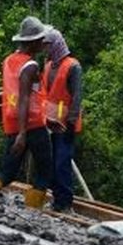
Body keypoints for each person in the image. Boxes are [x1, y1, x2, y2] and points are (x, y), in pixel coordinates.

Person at [0, 16, 52, 209]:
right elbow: (24, 98)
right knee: (45, 171)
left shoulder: (8, 61)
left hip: (12, 121)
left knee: (7, 172)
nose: (43, 42)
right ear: (32, 42)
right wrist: (23, 134)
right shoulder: (30, 66)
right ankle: (32, 210)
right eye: (40, 40)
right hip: (32, 123)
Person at [43, 26, 84, 212]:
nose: (45, 48)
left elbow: (77, 96)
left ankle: (65, 202)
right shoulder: (48, 65)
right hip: (50, 123)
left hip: (65, 125)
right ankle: (56, 199)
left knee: (62, 163)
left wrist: (72, 122)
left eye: (47, 45)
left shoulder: (73, 66)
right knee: (52, 163)